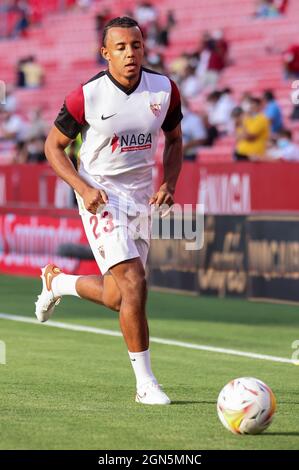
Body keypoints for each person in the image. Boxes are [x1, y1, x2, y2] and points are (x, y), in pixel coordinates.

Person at [35, 16, 183, 405]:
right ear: (106, 54)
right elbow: (53, 147)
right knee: (135, 282)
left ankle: (58, 283)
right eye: (120, 47)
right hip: (100, 195)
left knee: (120, 296)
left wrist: (169, 183)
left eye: (135, 45)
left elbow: (174, 139)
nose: (130, 53)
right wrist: (82, 188)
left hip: (140, 198)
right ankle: (146, 383)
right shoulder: (86, 96)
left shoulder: (164, 90)